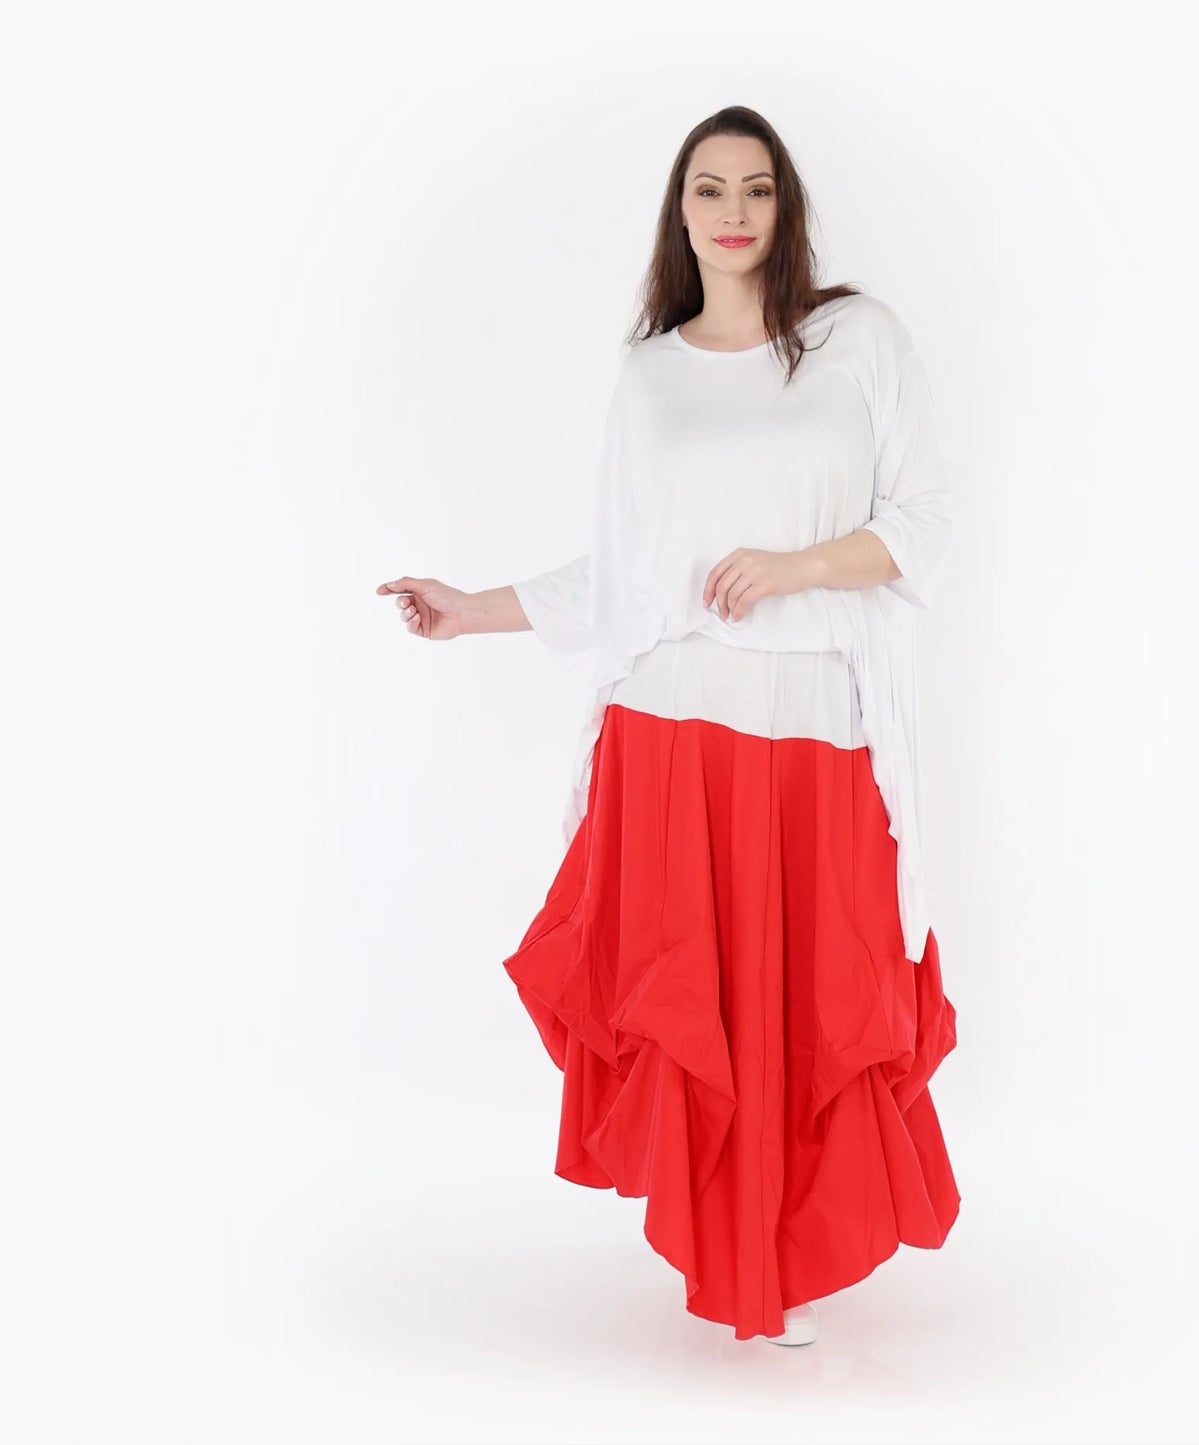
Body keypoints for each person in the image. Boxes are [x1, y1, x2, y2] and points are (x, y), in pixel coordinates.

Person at [376, 105, 960, 1347]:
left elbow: (920, 528)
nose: (732, 211)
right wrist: (470, 607)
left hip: (811, 719)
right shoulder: (648, 375)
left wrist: (794, 565)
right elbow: (625, 575)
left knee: (813, 991)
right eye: (708, 188)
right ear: (678, 211)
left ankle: (777, 1255)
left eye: (755, 187)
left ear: (785, 207)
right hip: (670, 729)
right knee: (702, 1004)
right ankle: (737, 1259)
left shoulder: (857, 340)